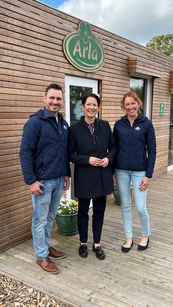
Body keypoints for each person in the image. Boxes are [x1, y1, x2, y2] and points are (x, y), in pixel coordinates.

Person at [20, 83, 70, 273]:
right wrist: (31, 181)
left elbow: (64, 151)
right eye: (52, 98)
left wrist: (67, 173)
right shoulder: (35, 122)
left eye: (58, 98)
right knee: (39, 220)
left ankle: (46, 246)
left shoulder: (62, 123)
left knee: (50, 217)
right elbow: (25, 152)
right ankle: (41, 256)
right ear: (45, 99)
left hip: (58, 179)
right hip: (42, 182)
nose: (55, 102)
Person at [68, 93, 116, 260]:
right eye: (88, 104)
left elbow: (113, 148)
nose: (91, 107)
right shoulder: (73, 129)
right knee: (82, 212)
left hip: (102, 176)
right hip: (84, 177)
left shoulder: (104, 125)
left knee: (99, 212)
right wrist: (87, 159)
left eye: (94, 105)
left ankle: (97, 243)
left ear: (98, 107)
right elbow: (70, 155)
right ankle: (82, 243)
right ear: (83, 107)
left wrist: (108, 159)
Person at [113, 91, 156, 253]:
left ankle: (145, 234)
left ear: (138, 104)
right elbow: (114, 149)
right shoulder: (119, 125)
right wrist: (112, 172)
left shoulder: (146, 123)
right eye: (127, 104)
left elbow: (152, 151)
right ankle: (129, 237)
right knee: (125, 205)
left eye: (133, 103)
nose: (130, 107)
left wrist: (148, 175)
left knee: (139, 207)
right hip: (121, 170)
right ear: (123, 106)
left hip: (140, 172)